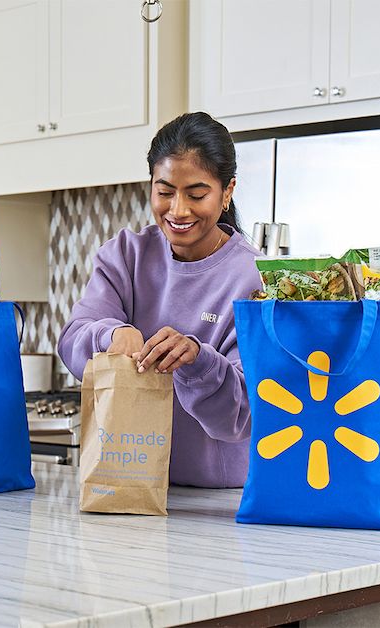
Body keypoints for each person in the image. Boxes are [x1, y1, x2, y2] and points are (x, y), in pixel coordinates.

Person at [57, 111, 263, 488]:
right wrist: (109, 336)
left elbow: (244, 415)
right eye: (165, 192)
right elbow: (73, 339)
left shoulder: (254, 279)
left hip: (215, 501)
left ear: (227, 191)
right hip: (126, 486)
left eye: (197, 194)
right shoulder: (125, 254)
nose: (178, 210)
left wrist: (198, 361)